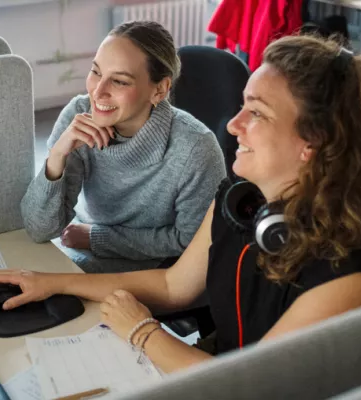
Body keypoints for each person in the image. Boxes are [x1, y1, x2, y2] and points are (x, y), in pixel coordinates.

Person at [0, 34, 361, 373]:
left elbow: (251, 386)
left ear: (314, 141)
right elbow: (174, 286)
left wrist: (144, 331)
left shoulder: (352, 275)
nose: (232, 125)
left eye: (257, 113)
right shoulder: (242, 199)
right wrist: (51, 282)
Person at [22, 21, 227, 273]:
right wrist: (56, 156)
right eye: (96, 71)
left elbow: (191, 242)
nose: (98, 92)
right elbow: (39, 229)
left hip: (157, 269)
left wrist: (96, 238)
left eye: (119, 81)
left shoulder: (196, 148)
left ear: (159, 90)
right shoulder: (79, 115)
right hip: (81, 246)